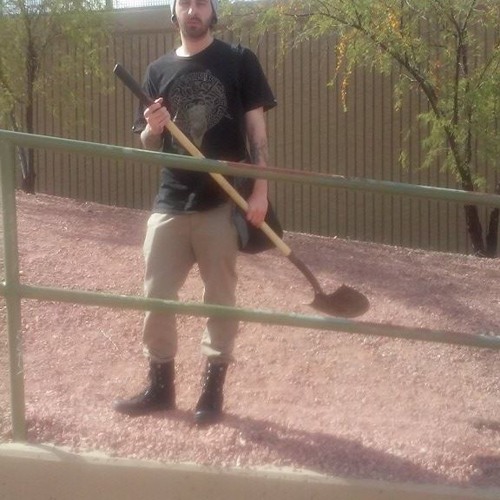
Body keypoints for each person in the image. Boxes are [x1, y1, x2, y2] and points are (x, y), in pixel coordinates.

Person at [113, 0, 276, 425]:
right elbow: (148, 142)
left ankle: (212, 391)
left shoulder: (239, 60)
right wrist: (153, 127)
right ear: (174, 12)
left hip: (222, 201)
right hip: (171, 200)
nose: (193, 10)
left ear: (212, 11)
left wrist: (260, 192)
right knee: (156, 296)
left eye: (201, 2)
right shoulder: (157, 70)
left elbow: (257, 133)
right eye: (184, 2)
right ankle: (160, 388)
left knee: (219, 300)